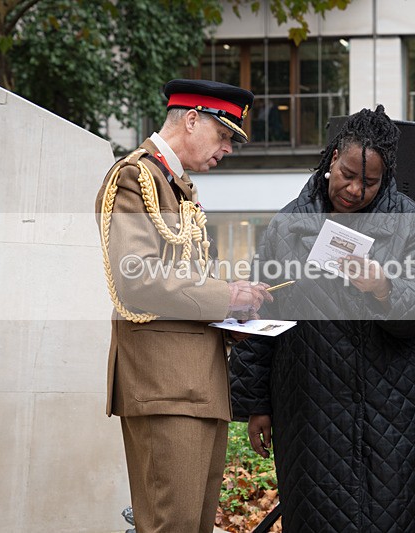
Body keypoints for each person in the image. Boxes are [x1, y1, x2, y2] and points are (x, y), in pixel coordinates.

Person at [229, 105, 415, 532]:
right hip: (309, 408)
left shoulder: (412, 224)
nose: (354, 189)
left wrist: (385, 288)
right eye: (348, 173)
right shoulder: (288, 225)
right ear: (333, 158)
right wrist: (255, 404)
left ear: (385, 176)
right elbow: (259, 315)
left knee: (395, 519)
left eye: (369, 182)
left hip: (395, 410)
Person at [94, 79, 272, 533]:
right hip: (164, 384)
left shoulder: (176, 185)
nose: (228, 148)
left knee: (192, 526)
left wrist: (230, 312)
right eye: (225, 135)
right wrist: (224, 296)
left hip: (194, 385)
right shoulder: (136, 177)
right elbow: (137, 279)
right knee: (170, 525)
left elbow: (183, 279)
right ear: (191, 120)